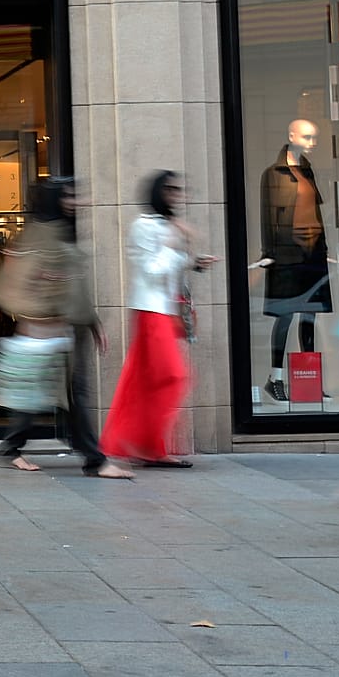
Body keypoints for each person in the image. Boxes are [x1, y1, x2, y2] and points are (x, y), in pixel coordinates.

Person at [0, 179, 132, 479]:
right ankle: (94, 460)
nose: (75, 201)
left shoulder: (58, 232)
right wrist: (41, 315)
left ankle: (13, 448)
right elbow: (8, 289)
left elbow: (74, 287)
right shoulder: (39, 237)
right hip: (50, 332)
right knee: (65, 396)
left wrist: (91, 322)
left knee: (51, 394)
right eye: (68, 196)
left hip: (65, 331)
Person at [99, 171, 216, 467]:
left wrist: (193, 263)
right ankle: (144, 445)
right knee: (172, 376)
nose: (177, 195)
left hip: (164, 310)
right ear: (157, 192)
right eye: (171, 189)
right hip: (151, 312)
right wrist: (172, 244)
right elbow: (150, 270)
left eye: (179, 189)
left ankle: (148, 447)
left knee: (150, 380)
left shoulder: (165, 226)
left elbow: (167, 269)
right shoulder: (145, 226)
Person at [253, 119, 332, 401]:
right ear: (291, 136)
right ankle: (275, 378)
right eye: (308, 137)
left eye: (314, 137)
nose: (312, 142)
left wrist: (324, 248)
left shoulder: (308, 171)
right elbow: (268, 216)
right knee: (285, 315)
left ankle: (310, 381)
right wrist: (268, 253)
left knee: (309, 316)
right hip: (286, 254)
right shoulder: (272, 174)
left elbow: (315, 214)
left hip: (312, 254)